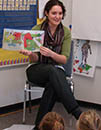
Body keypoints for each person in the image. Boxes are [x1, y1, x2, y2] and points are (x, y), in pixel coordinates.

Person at [20, 0, 82, 129]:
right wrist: (29, 54)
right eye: (54, 13)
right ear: (47, 13)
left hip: (55, 71)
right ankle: (78, 114)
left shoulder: (65, 32)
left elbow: (64, 60)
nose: (57, 16)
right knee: (53, 71)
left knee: (53, 83)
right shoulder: (36, 30)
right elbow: (34, 59)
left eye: (60, 13)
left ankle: (38, 127)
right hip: (36, 70)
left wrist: (51, 54)